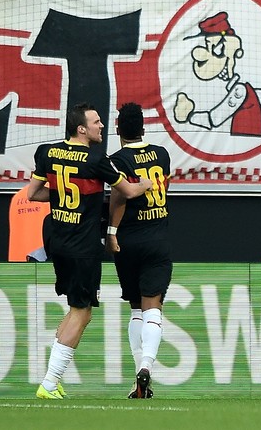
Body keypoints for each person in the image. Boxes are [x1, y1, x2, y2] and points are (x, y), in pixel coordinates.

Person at [28, 103, 151, 400]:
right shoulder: (97, 158)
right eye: (96, 122)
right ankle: (48, 383)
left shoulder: (47, 152)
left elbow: (33, 193)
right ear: (81, 128)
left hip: (58, 242)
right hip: (83, 247)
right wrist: (146, 181)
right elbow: (130, 191)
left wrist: (62, 195)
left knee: (75, 309)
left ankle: (51, 381)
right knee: (82, 314)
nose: (101, 126)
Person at [107, 102, 173, 399]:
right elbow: (164, 188)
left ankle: (139, 384)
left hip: (127, 241)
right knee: (153, 308)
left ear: (118, 128)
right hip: (157, 239)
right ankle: (146, 366)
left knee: (136, 308)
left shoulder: (116, 160)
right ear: (144, 127)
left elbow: (118, 200)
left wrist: (111, 232)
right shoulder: (162, 154)